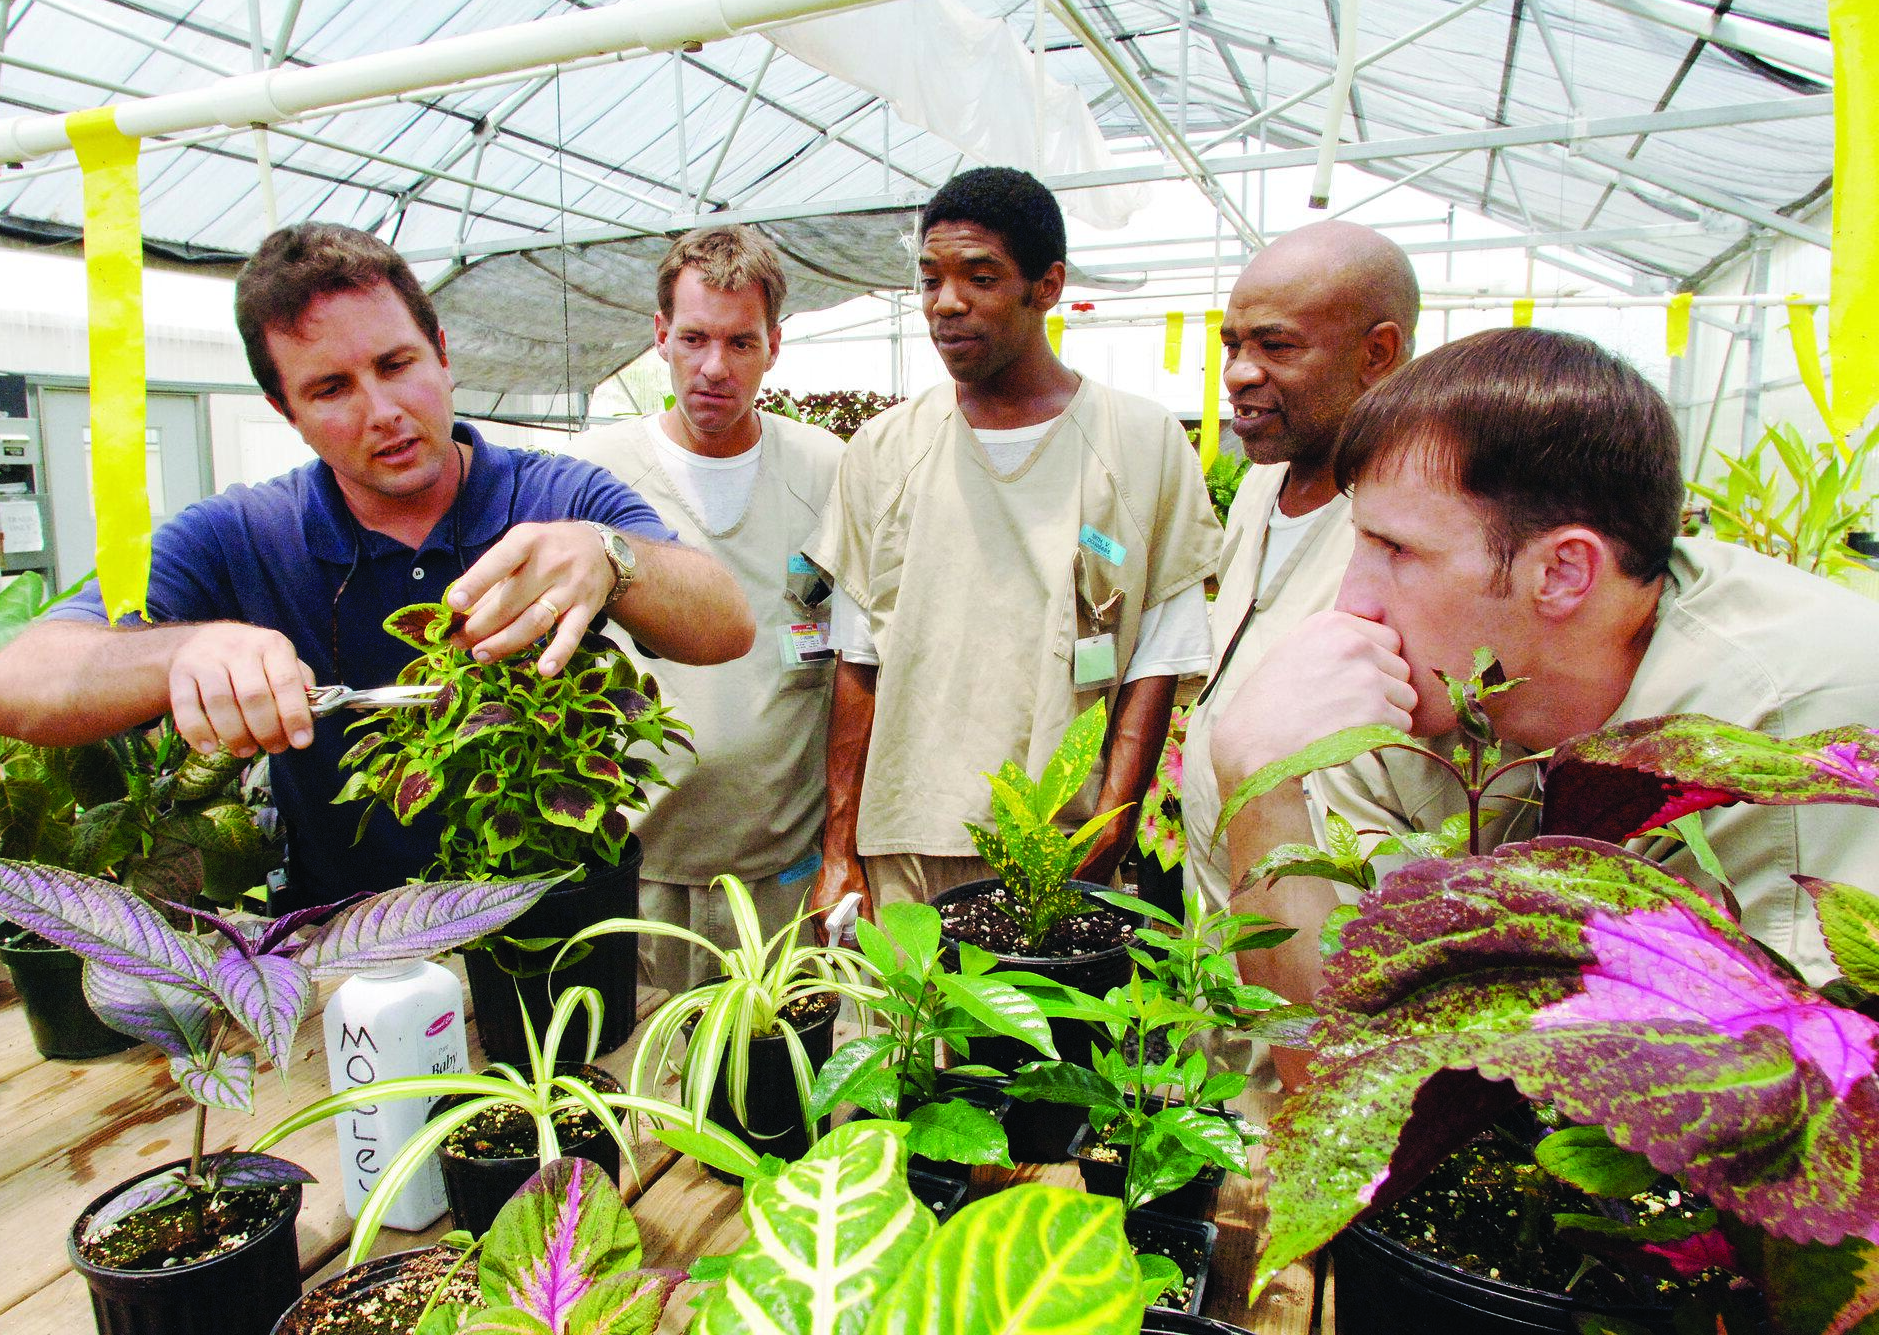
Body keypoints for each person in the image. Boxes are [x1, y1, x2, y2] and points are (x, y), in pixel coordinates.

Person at [0, 222, 753, 904]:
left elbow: (725, 624)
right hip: (346, 950)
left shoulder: (553, 492)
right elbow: (11, 692)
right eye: (331, 388)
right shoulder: (244, 534)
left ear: (442, 355)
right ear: (286, 411)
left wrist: (611, 557)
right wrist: (186, 648)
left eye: (395, 363)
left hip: (549, 927)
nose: (382, 411)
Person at [1210, 328, 1879, 1072]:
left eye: (1396, 551)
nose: (1349, 604)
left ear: (1562, 573)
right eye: (1358, 545)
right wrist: (1259, 780)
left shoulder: (1782, 728)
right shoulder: (1414, 684)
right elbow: (1339, 1097)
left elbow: (1772, 1124)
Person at [804, 166, 1222, 927]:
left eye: (982, 276)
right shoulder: (886, 450)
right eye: (931, 279)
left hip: (1060, 842)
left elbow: (1161, 649)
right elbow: (857, 658)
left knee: (1047, 1044)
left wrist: (1112, 823)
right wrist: (840, 847)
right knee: (912, 1041)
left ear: (1047, 286)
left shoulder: (1138, 443)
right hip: (908, 834)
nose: (947, 302)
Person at [569, 226, 843, 991]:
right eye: (693, 339)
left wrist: (845, 846)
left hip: (784, 873)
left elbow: (859, 658)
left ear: (774, 346)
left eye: (740, 343)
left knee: (773, 1091)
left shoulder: (825, 471)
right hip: (638, 874)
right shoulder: (596, 476)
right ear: (660, 336)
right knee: (648, 1087)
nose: (714, 368)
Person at [1178, 220, 1418, 916]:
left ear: (1377, 352)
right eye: (1233, 346)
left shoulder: (1418, 532)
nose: (1239, 372)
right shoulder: (1262, 485)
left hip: (1328, 935)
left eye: (1276, 346)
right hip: (1224, 926)